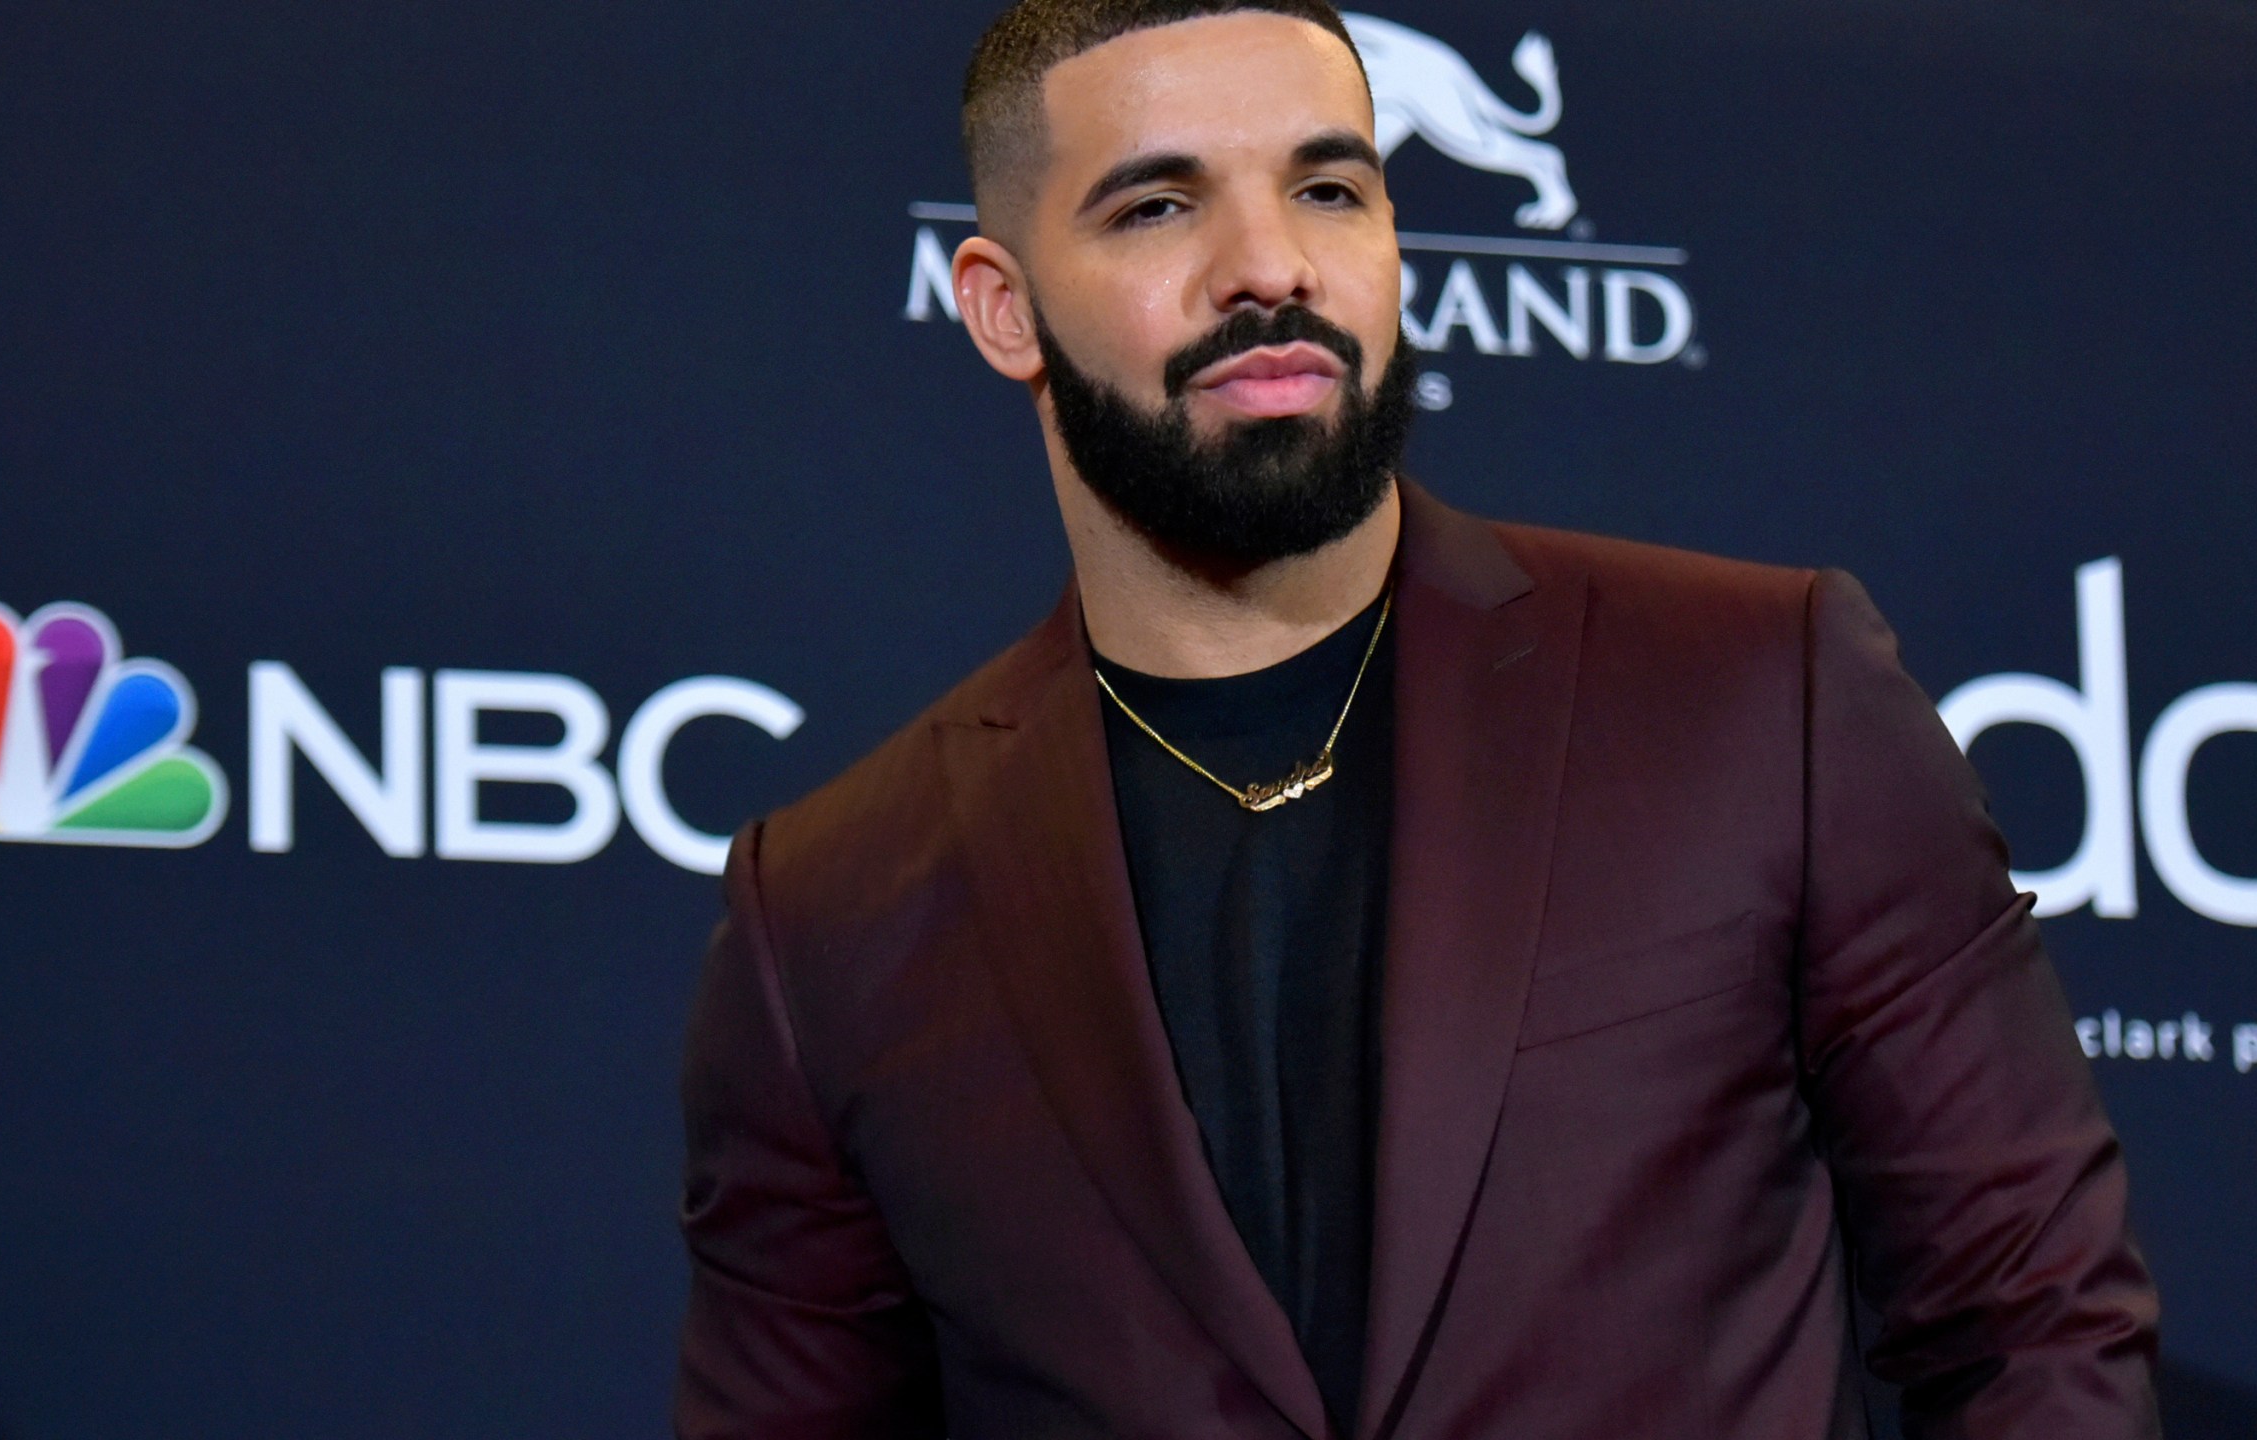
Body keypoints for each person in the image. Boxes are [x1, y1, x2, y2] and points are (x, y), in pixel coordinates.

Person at [673, 1, 2162, 1435]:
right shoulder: (833, 913)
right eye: (1157, 210)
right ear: (1003, 308)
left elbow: (2031, 1323)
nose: (1269, 268)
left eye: (1329, 188)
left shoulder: (1763, 695)